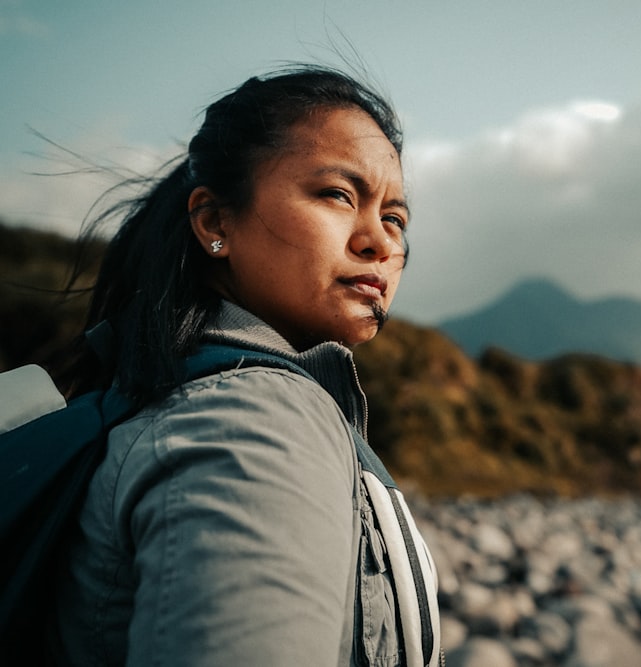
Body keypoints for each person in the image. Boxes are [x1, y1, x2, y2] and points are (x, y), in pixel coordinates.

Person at [48, 65, 441, 666]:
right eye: (338, 194)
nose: (381, 243)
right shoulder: (257, 417)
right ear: (215, 223)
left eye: (395, 218)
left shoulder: (182, 391)